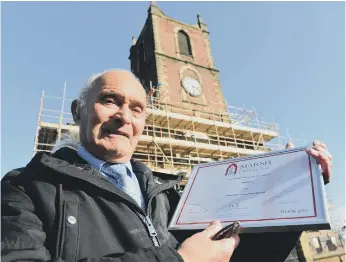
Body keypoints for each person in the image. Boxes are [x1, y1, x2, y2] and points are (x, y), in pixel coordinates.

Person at [1, 69, 332, 262]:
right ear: (77, 111)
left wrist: (295, 195)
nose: (123, 117)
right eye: (109, 101)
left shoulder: (170, 193)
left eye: (137, 108)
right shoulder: (24, 189)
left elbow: (238, 255)